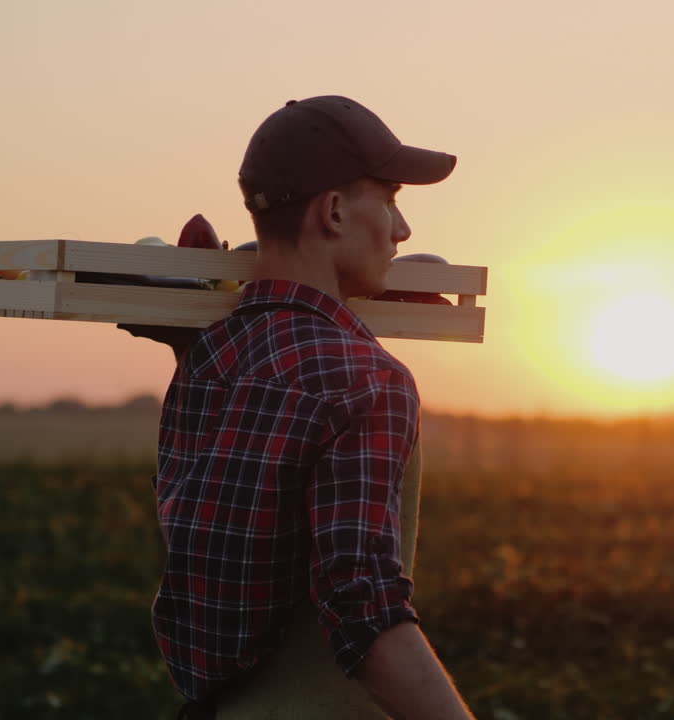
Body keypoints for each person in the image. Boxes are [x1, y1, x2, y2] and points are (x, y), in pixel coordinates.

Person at [152, 96, 477, 720]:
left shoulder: (210, 353)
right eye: (390, 201)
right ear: (332, 211)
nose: (402, 230)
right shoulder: (365, 378)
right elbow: (364, 604)